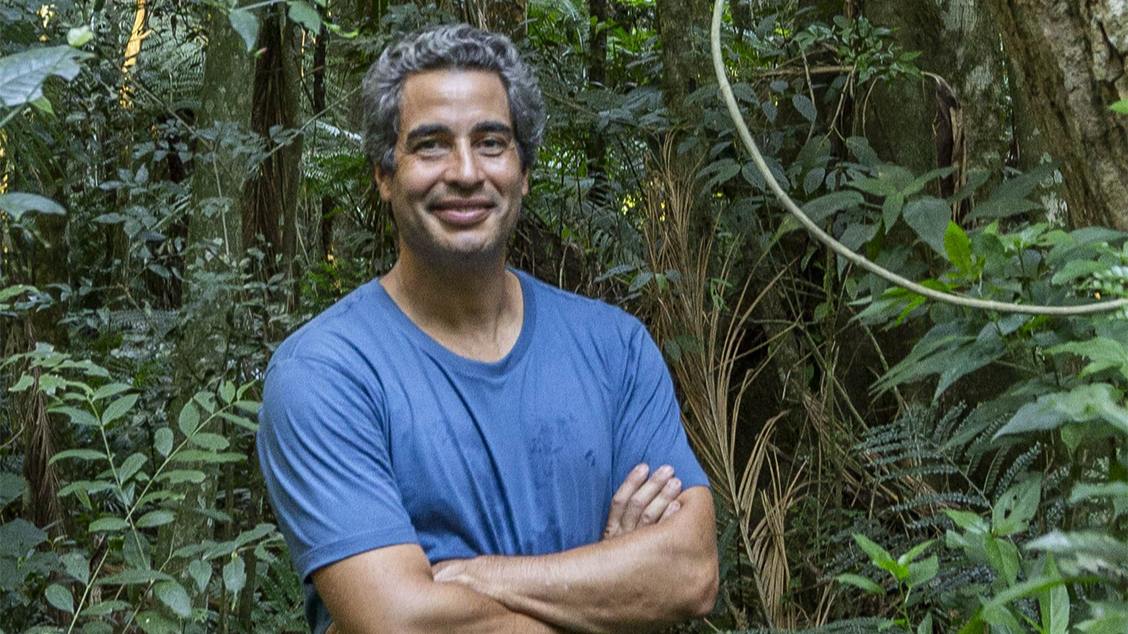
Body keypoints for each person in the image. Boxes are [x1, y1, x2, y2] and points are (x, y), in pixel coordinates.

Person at [257, 23, 718, 634]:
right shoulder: (326, 373)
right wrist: (612, 585)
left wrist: (474, 577)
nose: (466, 171)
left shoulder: (616, 348)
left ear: (523, 170)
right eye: (430, 145)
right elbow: (401, 622)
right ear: (384, 175)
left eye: (491, 142)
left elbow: (689, 572)